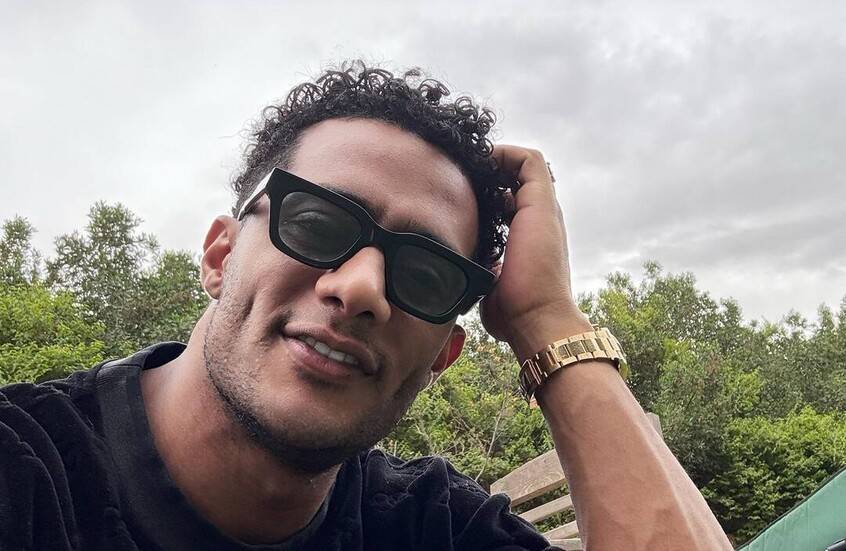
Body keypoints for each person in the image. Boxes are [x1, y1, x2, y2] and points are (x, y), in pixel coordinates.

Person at [0, 63, 732, 550]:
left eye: (426, 274)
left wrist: (545, 318)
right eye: (317, 223)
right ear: (221, 256)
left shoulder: (431, 528)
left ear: (443, 355)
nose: (360, 289)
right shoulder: (28, 474)